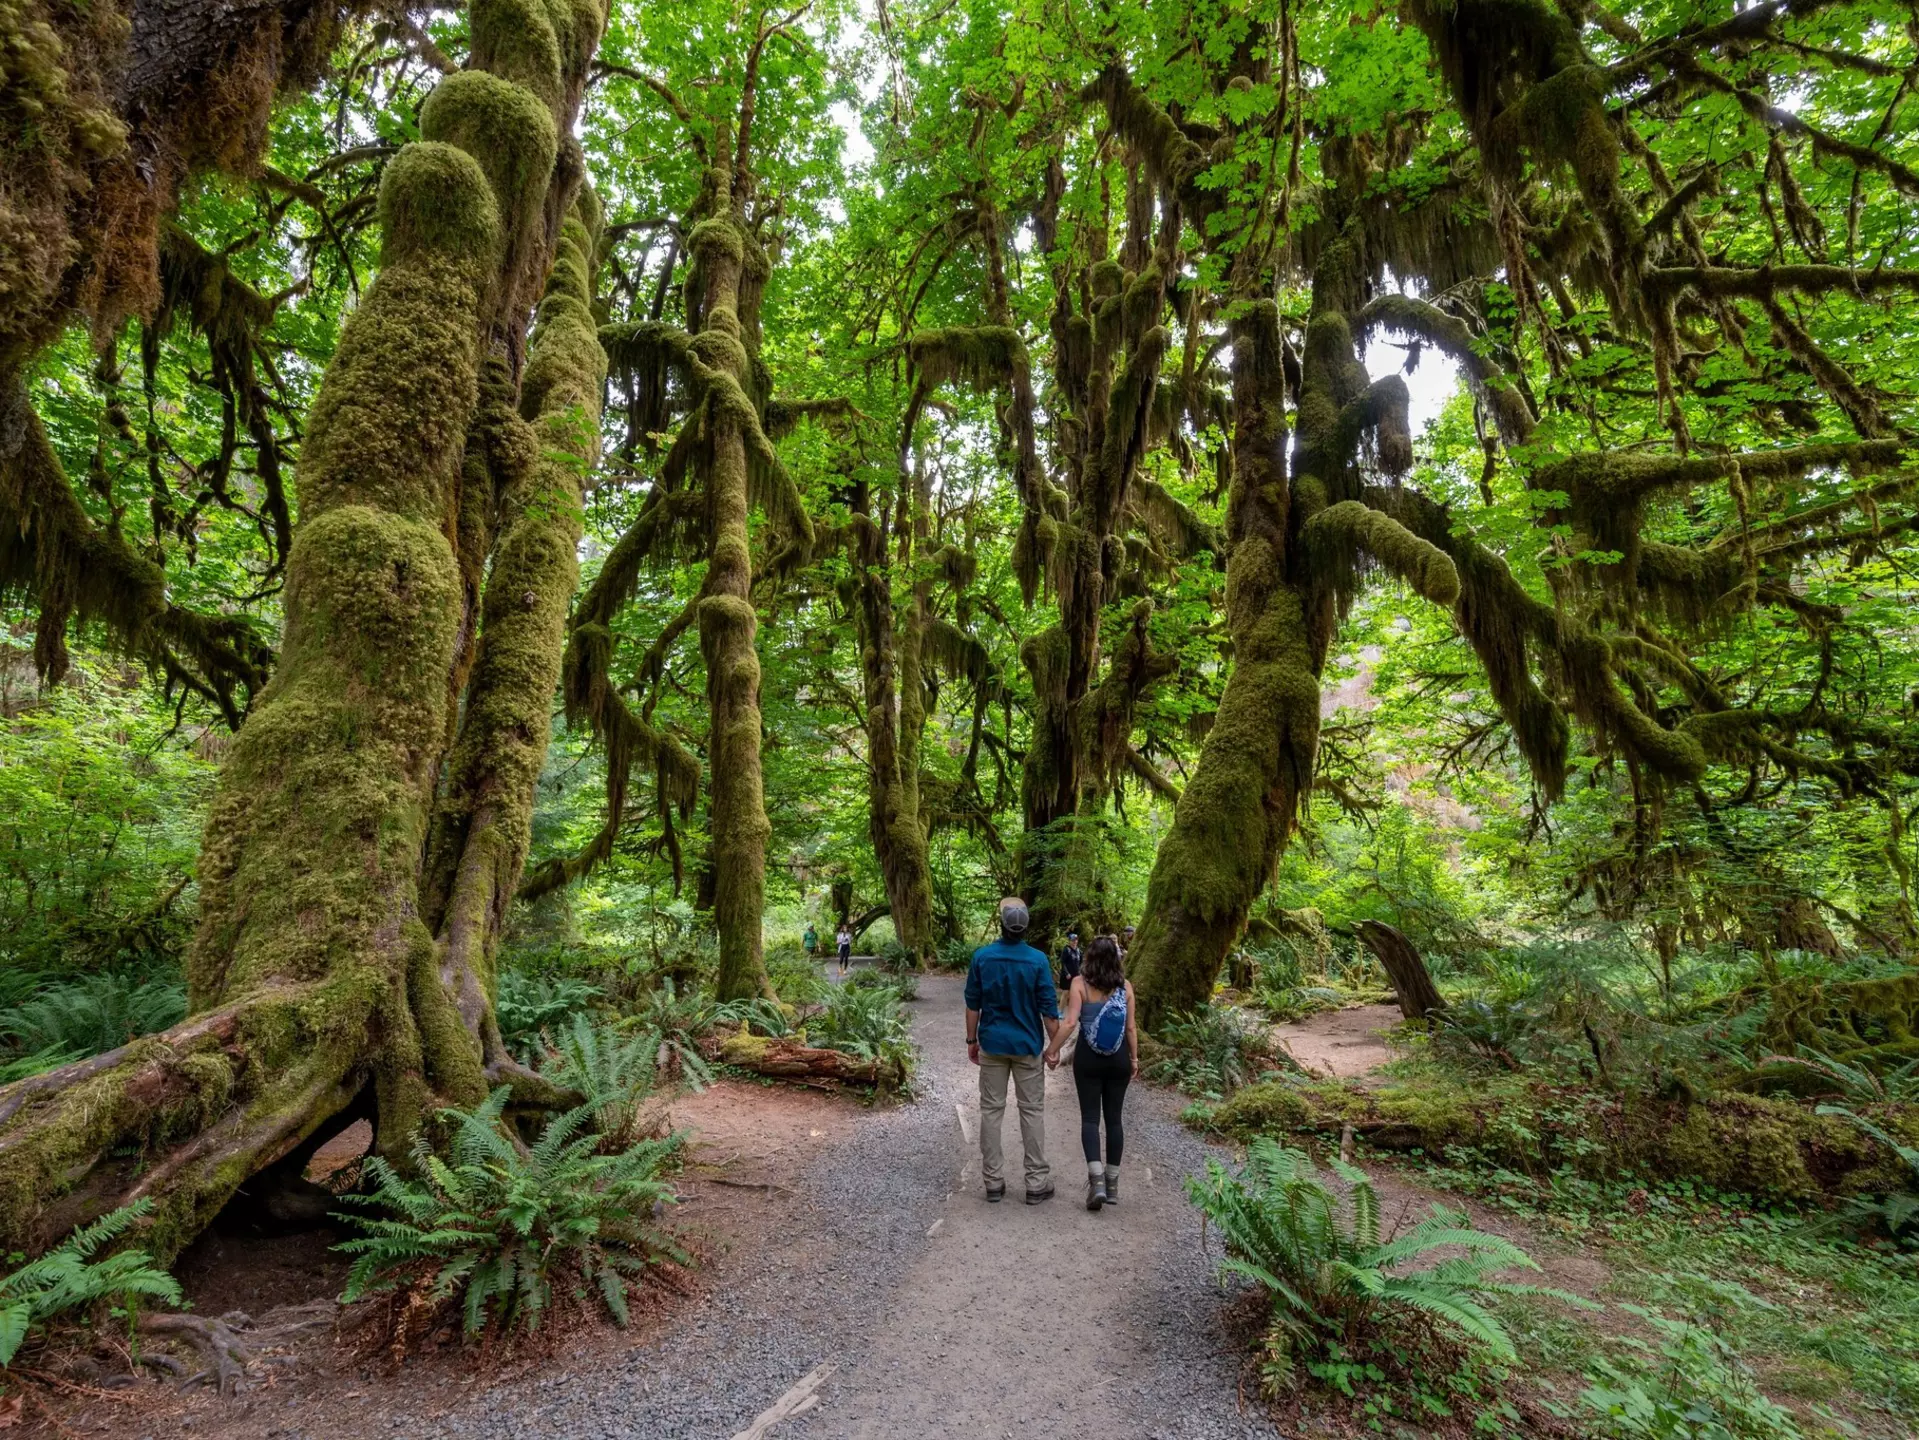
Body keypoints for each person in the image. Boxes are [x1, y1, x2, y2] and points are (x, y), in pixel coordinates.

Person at [964, 897, 1062, 1204]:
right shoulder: (1037, 960)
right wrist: (1054, 1048)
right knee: (1031, 1110)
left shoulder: (982, 957)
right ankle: (1036, 1183)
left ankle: (993, 1182)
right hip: (1027, 1045)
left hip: (992, 1044)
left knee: (991, 1111)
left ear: (1002, 925)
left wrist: (971, 1041)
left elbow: (972, 1004)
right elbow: (1048, 1009)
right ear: (1025, 927)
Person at [1045, 934, 1138, 1212]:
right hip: (1119, 1058)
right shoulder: (1127, 987)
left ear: (1090, 958)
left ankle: (1095, 1182)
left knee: (1089, 1119)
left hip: (1088, 1059)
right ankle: (1112, 1185)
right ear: (1116, 959)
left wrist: (1051, 1050)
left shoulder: (1079, 985)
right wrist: (1134, 1058)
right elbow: (1131, 1028)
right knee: (1114, 1121)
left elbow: (1071, 1022)